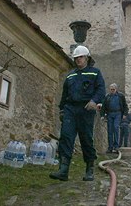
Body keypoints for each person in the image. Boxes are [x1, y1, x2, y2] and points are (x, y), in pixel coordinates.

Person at [50, 45, 105, 182]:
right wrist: (62, 110)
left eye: (80, 57)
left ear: (87, 58)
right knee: (66, 137)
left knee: (86, 138)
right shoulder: (70, 75)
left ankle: (89, 169)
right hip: (70, 109)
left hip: (86, 109)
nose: (78, 60)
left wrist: (94, 101)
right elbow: (64, 94)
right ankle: (63, 170)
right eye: (76, 58)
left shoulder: (95, 73)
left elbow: (101, 90)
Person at [100, 83, 129, 153]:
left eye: (113, 89)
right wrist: (102, 115)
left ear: (116, 89)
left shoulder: (120, 96)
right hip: (110, 113)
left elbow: (125, 105)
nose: (112, 90)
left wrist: (125, 114)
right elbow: (103, 106)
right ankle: (110, 147)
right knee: (110, 130)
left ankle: (116, 146)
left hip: (118, 113)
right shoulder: (107, 96)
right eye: (111, 89)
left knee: (116, 128)